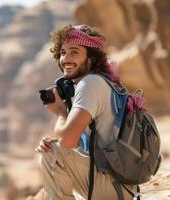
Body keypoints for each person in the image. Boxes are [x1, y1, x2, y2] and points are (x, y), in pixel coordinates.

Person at [35, 24, 135, 200]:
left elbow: (66, 141)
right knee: (52, 148)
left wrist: (60, 112)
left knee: (51, 153)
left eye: (74, 52)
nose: (66, 58)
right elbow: (77, 143)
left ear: (91, 59)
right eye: (63, 53)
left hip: (113, 186)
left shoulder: (90, 84)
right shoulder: (100, 81)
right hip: (121, 185)